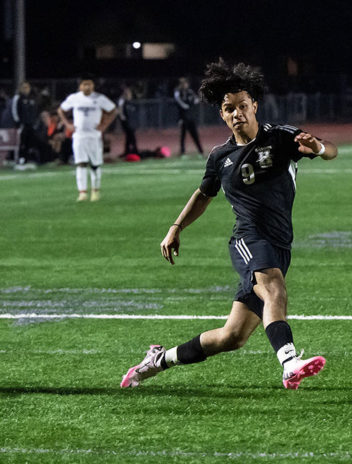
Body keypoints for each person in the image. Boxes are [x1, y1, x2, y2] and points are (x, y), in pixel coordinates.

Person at [121, 59, 338, 390]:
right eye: (229, 108)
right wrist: (176, 227)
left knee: (232, 337)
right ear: (222, 115)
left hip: (280, 244)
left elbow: (332, 151)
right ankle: (289, 362)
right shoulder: (220, 157)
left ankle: (158, 360)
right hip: (249, 240)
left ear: (254, 106)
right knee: (274, 288)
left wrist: (320, 148)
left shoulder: (280, 137)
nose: (237, 113)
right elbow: (204, 194)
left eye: (242, 106)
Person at [58, 75, 117, 202]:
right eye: (84, 84)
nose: (87, 86)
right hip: (79, 136)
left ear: (93, 85)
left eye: (89, 84)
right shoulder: (74, 98)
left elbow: (113, 110)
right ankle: (82, 192)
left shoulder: (99, 98)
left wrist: (104, 125)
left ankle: (95, 191)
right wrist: (67, 124)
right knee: (81, 163)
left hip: (94, 136)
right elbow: (61, 110)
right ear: (80, 86)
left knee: (95, 164)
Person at [174, 77, 204, 156]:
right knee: (183, 136)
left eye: (186, 83)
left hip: (190, 117)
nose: (185, 85)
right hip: (183, 118)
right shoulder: (178, 92)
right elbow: (179, 102)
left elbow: (196, 100)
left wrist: (199, 98)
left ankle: (201, 151)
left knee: (195, 135)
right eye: (183, 83)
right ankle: (182, 152)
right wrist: (186, 106)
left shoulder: (190, 92)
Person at [117, 85, 139, 156]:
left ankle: (127, 151)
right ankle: (134, 150)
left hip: (131, 121)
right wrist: (122, 117)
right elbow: (120, 109)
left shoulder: (130, 101)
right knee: (131, 136)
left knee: (129, 137)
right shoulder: (122, 100)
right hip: (127, 121)